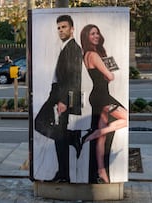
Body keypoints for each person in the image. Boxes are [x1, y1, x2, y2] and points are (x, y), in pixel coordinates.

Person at [34, 15, 83, 183]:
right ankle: (63, 173)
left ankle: (64, 171)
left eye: (64, 27)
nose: (61, 30)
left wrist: (64, 100)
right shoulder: (66, 47)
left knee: (40, 123)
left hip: (62, 96)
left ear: (72, 29)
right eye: (59, 28)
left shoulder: (73, 48)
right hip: (57, 93)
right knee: (57, 133)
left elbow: (74, 77)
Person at [80, 24, 128, 183]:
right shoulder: (93, 55)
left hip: (98, 95)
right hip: (102, 96)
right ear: (86, 36)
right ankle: (94, 133)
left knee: (102, 138)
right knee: (126, 118)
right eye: (92, 34)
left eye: (97, 33)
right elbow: (110, 76)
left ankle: (102, 172)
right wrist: (108, 71)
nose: (96, 36)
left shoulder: (86, 54)